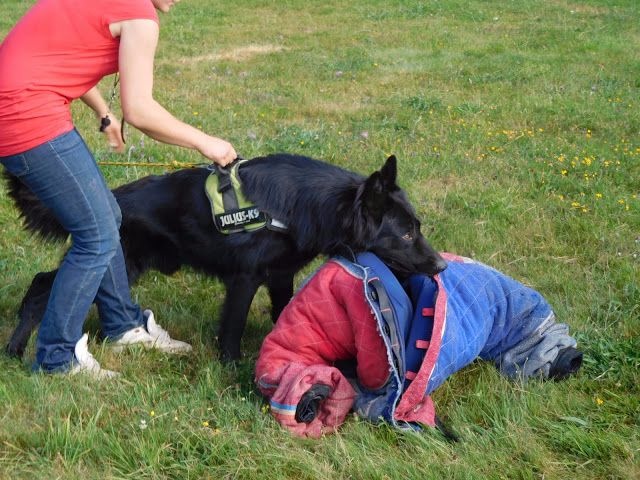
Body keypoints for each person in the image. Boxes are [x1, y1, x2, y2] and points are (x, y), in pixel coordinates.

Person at [0, 0, 237, 378]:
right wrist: (206, 142)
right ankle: (57, 358)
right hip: (24, 114)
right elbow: (139, 110)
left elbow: (58, 52)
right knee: (95, 236)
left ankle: (122, 325)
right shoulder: (139, 14)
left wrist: (102, 111)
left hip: (18, 104)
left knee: (108, 217)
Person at [255, 252, 583, 438]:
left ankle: (540, 346)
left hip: (447, 287)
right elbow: (375, 365)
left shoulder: (345, 290)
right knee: (487, 302)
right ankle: (539, 345)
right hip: (363, 294)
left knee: (481, 300)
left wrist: (374, 387)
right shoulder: (295, 340)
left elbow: (377, 372)